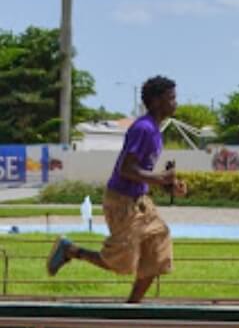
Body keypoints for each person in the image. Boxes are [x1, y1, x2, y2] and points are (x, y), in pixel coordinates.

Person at [46, 75, 186, 303]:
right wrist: (160, 179)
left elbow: (141, 171)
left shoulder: (155, 131)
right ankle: (70, 250)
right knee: (121, 263)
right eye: (171, 98)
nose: (175, 102)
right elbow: (126, 169)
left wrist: (168, 185)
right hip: (122, 201)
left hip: (140, 200)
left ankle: (132, 308)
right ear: (156, 101)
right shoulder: (143, 129)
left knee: (158, 251)